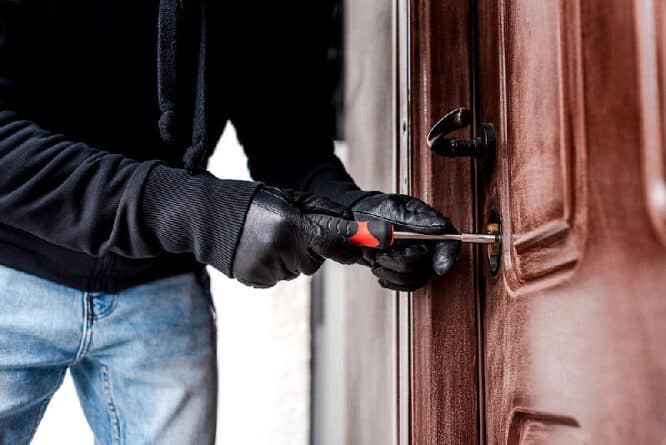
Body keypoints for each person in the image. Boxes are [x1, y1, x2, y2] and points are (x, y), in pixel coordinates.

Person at [0, 1, 460, 443]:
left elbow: (287, 137)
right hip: (13, 274)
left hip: (161, 289)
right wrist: (199, 212)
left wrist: (351, 210)